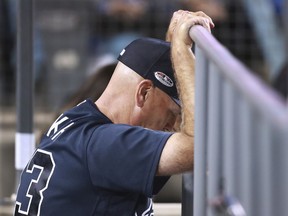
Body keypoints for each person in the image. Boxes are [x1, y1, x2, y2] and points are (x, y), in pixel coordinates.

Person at [14, 10, 214, 216]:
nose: (173, 126)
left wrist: (173, 53)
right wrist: (182, 51)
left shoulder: (79, 122)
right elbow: (197, 149)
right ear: (143, 93)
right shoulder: (107, 142)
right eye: (173, 113)